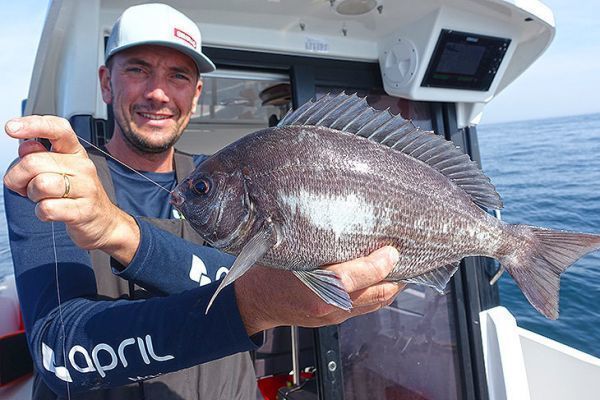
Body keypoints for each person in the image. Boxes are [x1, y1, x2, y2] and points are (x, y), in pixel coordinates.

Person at [3, 3, 404, 399]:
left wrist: (120, 233)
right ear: (107, 82)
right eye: (138, 69)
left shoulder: (222, 181)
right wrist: (252, 301)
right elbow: (58, 353)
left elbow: (247, 272)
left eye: (178, 75)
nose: (158, 92)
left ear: (195, 95)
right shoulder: (57, 181)